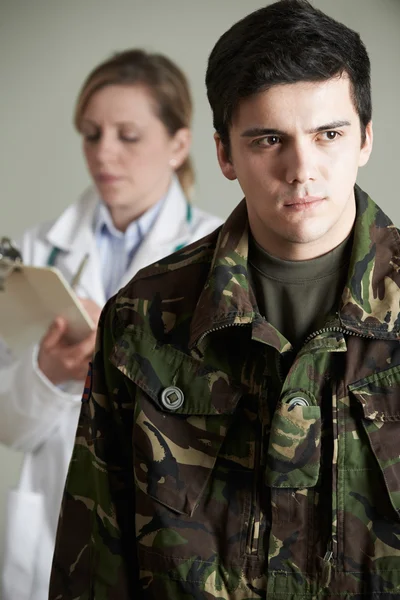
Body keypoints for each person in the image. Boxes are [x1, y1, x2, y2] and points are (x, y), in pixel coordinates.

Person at [49, 1, 400, 598]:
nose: (301, 169)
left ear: (366, 138)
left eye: (329, 135)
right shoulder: (141, 320)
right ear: (224, 154)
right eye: (268, 139)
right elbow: (93, 568)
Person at [0, 49, 222, 600]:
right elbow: (8, 426)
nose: (104, 154)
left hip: (170, 527)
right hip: (55, 517)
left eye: (128, 135)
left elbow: (227, 424)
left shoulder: (221, 257)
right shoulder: (36, 250)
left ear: (177, 143)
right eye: (91, 134)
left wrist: (126, 356)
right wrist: (49, 375)